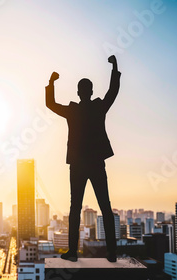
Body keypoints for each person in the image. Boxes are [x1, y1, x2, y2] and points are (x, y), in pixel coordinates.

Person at [45, 55, 121, 262]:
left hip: (78, 165)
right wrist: (115, 68)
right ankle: (111, 253)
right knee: (104, 206)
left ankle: (72, 252)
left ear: (79, 92)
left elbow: (50, 103)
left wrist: (51, 83)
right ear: (90, 92)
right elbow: (112, 92)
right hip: (95, 163)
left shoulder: (73, 111)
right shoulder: (97, 108)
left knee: (75, 208)